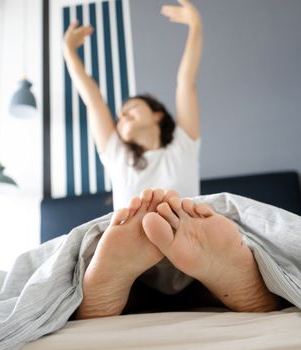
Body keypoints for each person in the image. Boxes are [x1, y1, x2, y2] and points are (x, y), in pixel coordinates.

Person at [62, 0, 203, 209]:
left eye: (132, 108)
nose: (123, 117)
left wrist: (196, 26)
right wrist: (69, 52)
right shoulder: (118, 156)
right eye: (119, 118)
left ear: (158, 115)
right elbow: (93, 101)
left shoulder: (183, 148)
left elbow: (185, 82)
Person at [76, 188, 283, 319]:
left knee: (142, 292)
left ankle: (96, 302)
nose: (124, 115)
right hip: (156, 233)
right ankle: (243, 287)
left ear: (159, 117)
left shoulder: (184, 143)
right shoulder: (114, 150)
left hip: (188, 230)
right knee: (194, 287)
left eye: (130, 113)